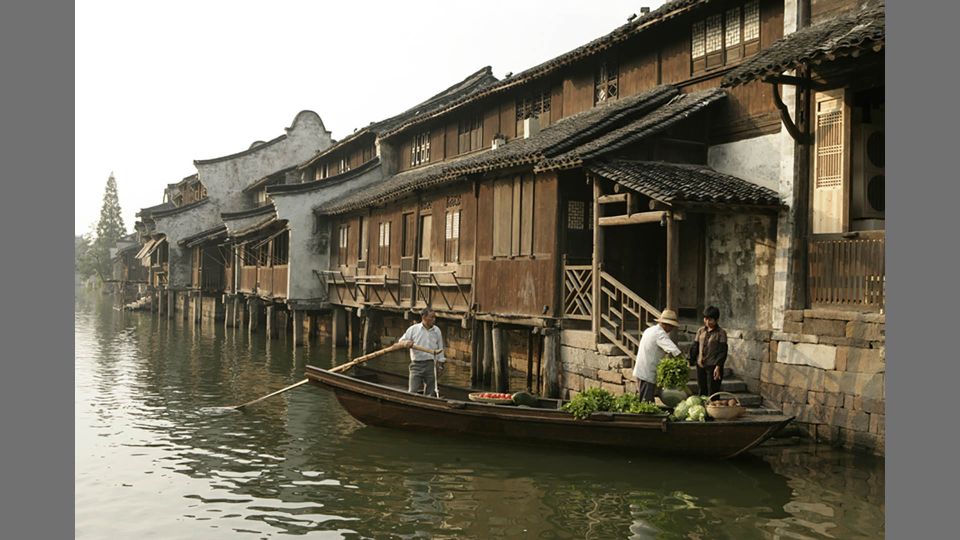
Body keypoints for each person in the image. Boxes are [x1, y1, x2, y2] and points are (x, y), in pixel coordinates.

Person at [632, 309, 683, 403]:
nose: (671, 329)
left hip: (641, 370)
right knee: (646, 402)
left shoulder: (650, 330)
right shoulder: (660, 334)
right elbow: (675, 351)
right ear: (666, 324)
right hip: (648, 372)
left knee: (644, 398)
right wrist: (683, 363)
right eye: (671, 326)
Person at [398, 308, 446, 397]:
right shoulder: (413, 329)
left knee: (430, 393)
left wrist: (441, 365)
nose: (434, 320)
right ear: (424, 317)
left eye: (434, 317)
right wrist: (406, 343)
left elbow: (440, 348)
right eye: (431, 317)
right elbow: (401, 341)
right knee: (412, 391)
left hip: (431, 364)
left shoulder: (437, 331)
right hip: (416, 365)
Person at [688, 305, 728, 397]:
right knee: (702, 390)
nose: (707, 322)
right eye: (705, 319)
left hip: (713, 366)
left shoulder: (721, 333)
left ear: (716, 320)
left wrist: (718, 366)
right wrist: (690, 360)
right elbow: (695, 346)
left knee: (712, 392)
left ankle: (713, 410)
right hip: (701, 365)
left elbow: (722, 351)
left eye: (710, 319)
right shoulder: (701, 331)